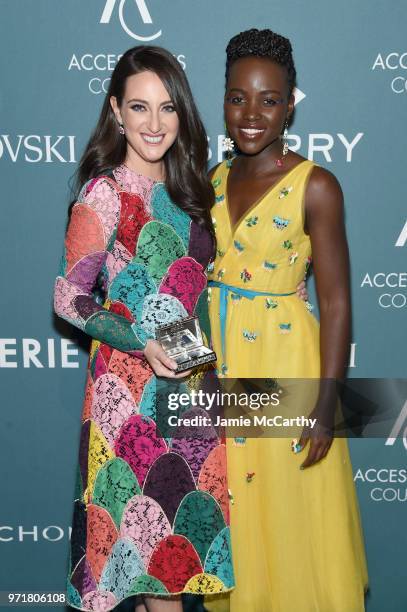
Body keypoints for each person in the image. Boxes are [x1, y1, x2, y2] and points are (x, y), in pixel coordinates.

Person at [53, 45, 235, 612]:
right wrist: (139, 340)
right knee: (147, 562)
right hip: (129, 393)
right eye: (139, 107)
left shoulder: (194, 194)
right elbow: (69, 296)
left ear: (182, 113)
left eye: (167, 107)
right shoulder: (104, 194)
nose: (154, 124)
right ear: (116, 112)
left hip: (192, 388)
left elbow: (207, 285)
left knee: (176, 568)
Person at [205, 29, 369, 611]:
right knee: (240, 519)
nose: (251, 114)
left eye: (269, 100)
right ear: (222, 99)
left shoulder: (317, 186)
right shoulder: (212, 181)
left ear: (290, 105)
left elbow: (339, 301)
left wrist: (327, 404)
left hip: (288, 371)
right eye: (237, 97)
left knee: (291, 520)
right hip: (222, 369)